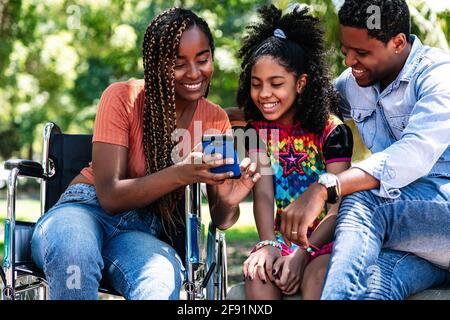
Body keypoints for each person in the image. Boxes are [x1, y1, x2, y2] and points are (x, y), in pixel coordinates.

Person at [30, 7, 260, 300]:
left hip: (141, 232)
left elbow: (222, 219)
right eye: (178, 63)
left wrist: (228, 202)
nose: (194, 73)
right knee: (74, 252)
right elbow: (110, 196)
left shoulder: (214, 120)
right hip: (84, 212)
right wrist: (181, 173)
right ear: (156, 65)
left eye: (203, 60)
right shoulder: (121, 97)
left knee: (159, 277)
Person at [281, 0, 450, 300]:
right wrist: (226, 116)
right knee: (374, 286)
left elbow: (413, 154)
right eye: (346, 51)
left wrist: (327, 187)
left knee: (364, 198)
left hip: (442, 215)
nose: (349, 61)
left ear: (398, 42)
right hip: (421, 245)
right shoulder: (355, 82)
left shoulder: (437, 76)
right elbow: (302, 109)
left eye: (362, 53)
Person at [237, 5, 354, 300]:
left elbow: (336, 206)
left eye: (276, 84)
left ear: (301, 83)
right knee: (257, 274)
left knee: (317, 278)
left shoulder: (331, 130)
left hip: (325, 241)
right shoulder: (257, 131)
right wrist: (267, 244)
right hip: (280, 241)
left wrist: (305, 253)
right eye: (256, 84)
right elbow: (263, 193)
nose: (264, 94)